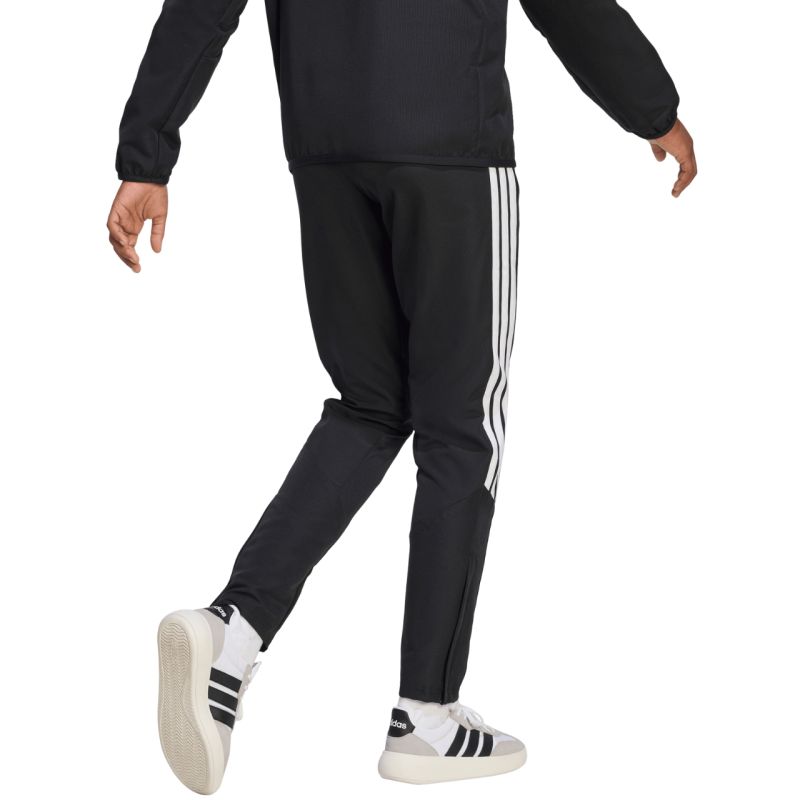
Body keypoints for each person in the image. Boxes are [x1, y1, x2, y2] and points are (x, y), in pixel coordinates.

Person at [108, 0, 696, 792]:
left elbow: (202, 7)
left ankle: (234, 629)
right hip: (449, 143)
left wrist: (146, 158)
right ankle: (426, 714)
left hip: (327, 151)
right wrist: (653, 109)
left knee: (372, 404)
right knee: (462, 429)